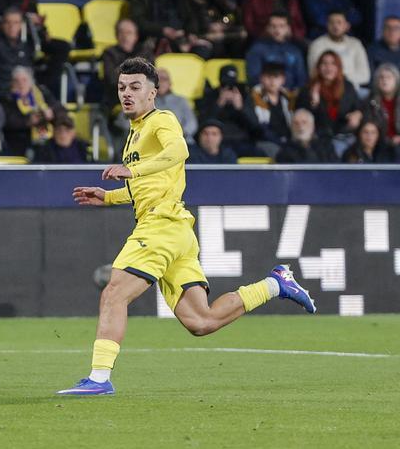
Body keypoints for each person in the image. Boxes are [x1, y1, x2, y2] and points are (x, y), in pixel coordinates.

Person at [57, 58, 315, 396]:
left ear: (154, 92)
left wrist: (132, 170)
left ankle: (99, 379)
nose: (127, 94)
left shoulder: (161, 120)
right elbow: (148, 185)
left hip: (161, 226)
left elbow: (179, 150)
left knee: (114, 292)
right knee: (201, 321)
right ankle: (274, 284)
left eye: (135, 87)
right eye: (122, 87)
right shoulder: (134, 135)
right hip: (175, 228)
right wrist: (107, 198)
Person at [297, 50, 362, 153]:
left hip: (345, 135)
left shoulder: (348, 87)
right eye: (324, 63)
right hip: (318, 138)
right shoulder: (307, 89)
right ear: (318, 67)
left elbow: (358, 108)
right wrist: (314, 103)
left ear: (339, 67)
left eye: (333, 63)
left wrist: (357, 115)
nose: (328, 67)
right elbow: (301, 117)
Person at [1, 66, 63, 156]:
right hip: (19, 142)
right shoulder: (6, 98)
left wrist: (51, 113)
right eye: (16, 81)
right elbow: (5, 121)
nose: (21, 84)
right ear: (12, 83)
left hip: (49, 140)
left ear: (31, 82)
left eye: (24, 80)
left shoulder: (43, 93)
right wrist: (27, 121)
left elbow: (60, 109)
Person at [306, 10, 370, 91]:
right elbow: (314, 74)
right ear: (327, 25)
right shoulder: (317, 45)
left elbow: (365, 76)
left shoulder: (355, 44)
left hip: (353, 90)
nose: (335, 26)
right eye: (331, 22)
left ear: (347, 26)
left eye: (339, 22)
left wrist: (340, 78)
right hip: (325, 90)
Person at [245, 11, 308, 91]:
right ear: (267, 28)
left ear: (288, 28)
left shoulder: (295, 50)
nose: (277, 30)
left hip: (292, 96)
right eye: (273, 26)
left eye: (281, 26)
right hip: (265, 95)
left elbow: (301, 79)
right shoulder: (257, 49)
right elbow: (254, 78)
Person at [243, 61, 294, 157]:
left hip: (288, 141)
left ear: (283, 79)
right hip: (264, 141)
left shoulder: (289, 98)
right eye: (268, 77)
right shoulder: (253, 97)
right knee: (279, 153)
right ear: (261, 78)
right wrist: (279, 142)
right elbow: (257, 127)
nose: (272, 81)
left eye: (276, 77)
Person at [101, 19, 155, 110]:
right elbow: (112, 80)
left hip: (144, 99)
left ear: (136, 36)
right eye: (121, 33)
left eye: (129, 33)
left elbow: (151, 78)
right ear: (116, 36)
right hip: (118, 100)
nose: (125, 36)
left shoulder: (145, 52)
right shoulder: (109, 53)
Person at [177, 0, 245, 58]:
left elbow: (233, 15)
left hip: (222, 33)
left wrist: (223, 22)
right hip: (200, 38)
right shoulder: (184, 0)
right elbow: (188, 26)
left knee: (242, 36)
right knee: (215, 47)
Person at [241, 0, 306, 42]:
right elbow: (249, 25)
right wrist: (265, 32)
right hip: (262, 39)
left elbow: (300, 26)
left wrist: (291, 32)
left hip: (290, 40)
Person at [363, 63, 400, 147]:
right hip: (378, 144)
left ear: (396, 80)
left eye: (389, 77)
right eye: (381, 77)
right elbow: (368, 127)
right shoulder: (370, 101)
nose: (385, 80)